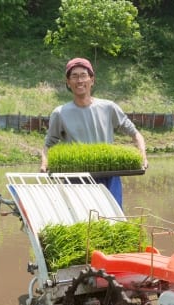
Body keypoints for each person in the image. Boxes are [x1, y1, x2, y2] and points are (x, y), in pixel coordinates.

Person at [40, 57, 148, 208]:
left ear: (92, 80)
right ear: (68, 82)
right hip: (76, 179)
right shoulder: (60, 113)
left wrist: (142, 154)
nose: (79, 80)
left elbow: (135, 134)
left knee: (113, 221)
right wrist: (44, 163)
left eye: (83, 75)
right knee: (80, 222)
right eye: (74, 76)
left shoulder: (108, 107)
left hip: (108, 176)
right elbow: (48, 144)